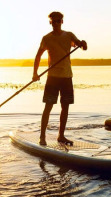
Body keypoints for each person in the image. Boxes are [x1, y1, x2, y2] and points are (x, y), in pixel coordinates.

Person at [32, 11, 87, 146]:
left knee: (65, 107)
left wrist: (83, 43)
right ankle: (42, 137)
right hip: (53, 77)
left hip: (67, 76)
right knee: (48, 106)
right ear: (50, 22)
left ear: (62, 21)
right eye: (53, 21)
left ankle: (61, 136)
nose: (55, 23)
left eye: (58, 21)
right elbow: (38, 56)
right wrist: (35, 73)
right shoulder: (47, 38)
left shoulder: (69, 35)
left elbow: (82, 46)